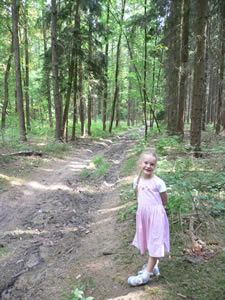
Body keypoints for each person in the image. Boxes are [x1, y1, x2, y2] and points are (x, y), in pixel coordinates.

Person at [128, 151, 170, 286]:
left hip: (156, 216)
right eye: (146, 163)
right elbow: (138, 195)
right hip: (143, 216)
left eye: (152, 164)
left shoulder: (159, 182)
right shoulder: (137, 181)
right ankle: (153, 265)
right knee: (148, 240)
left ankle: (146, 275)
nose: (148, 166)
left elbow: (164, 201)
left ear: (155, 166)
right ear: (140, 163)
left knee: (155, 242)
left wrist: (154, 210)